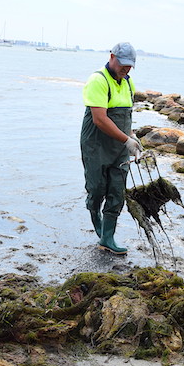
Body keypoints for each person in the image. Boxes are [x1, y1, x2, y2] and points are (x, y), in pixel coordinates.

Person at [80, 42, 143, 255]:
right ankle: (94, 213)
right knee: (97, 187)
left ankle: (107, 237)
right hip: (96, 143)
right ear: (112, 57)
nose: (126, 69)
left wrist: (132, 136)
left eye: (130, 66)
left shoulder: (128, 83)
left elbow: (126, 116)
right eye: (123, 64)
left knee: (117, 190)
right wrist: (126, 139)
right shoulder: (98, 80)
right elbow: (100, 119)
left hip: (120, 147)